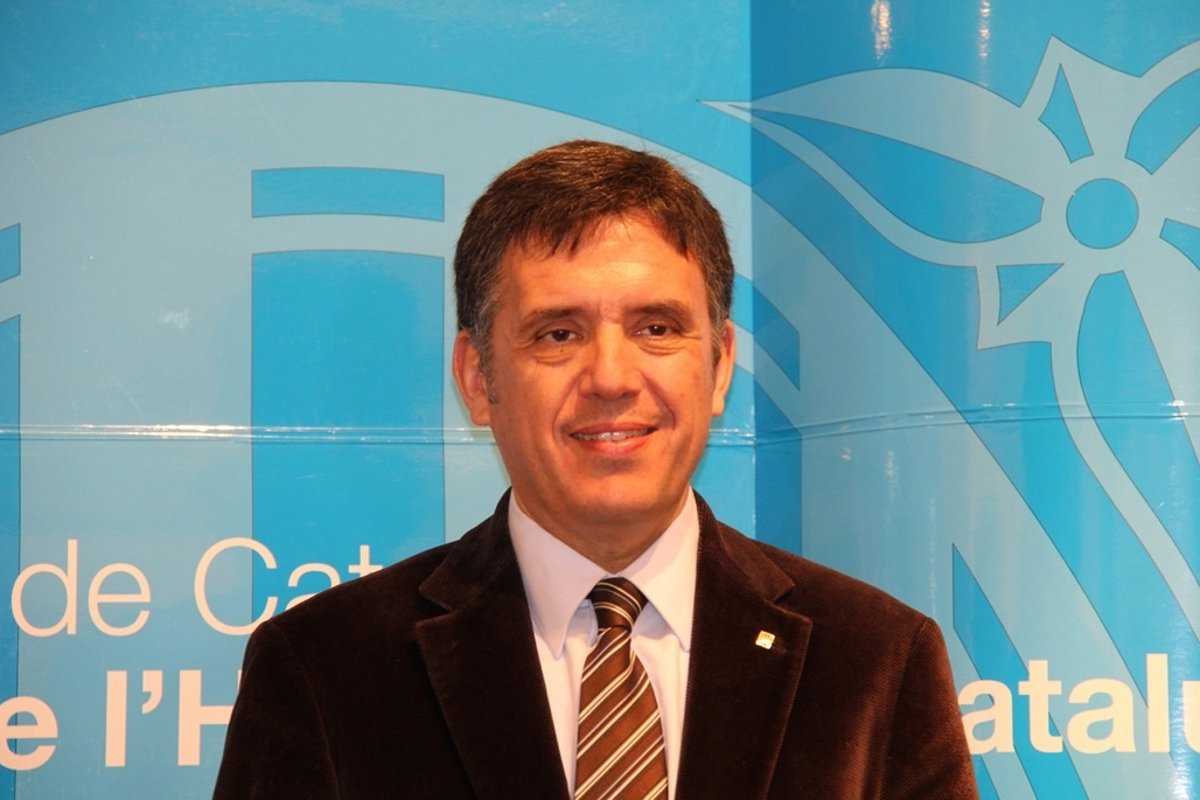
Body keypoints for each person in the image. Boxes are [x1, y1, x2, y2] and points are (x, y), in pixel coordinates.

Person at [213, 140, 977, 799]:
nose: (611, 377)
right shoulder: (325, 668)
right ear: (478, 378)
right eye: (558, 333)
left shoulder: (875, 662)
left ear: (719, 367)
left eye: (657, 327)